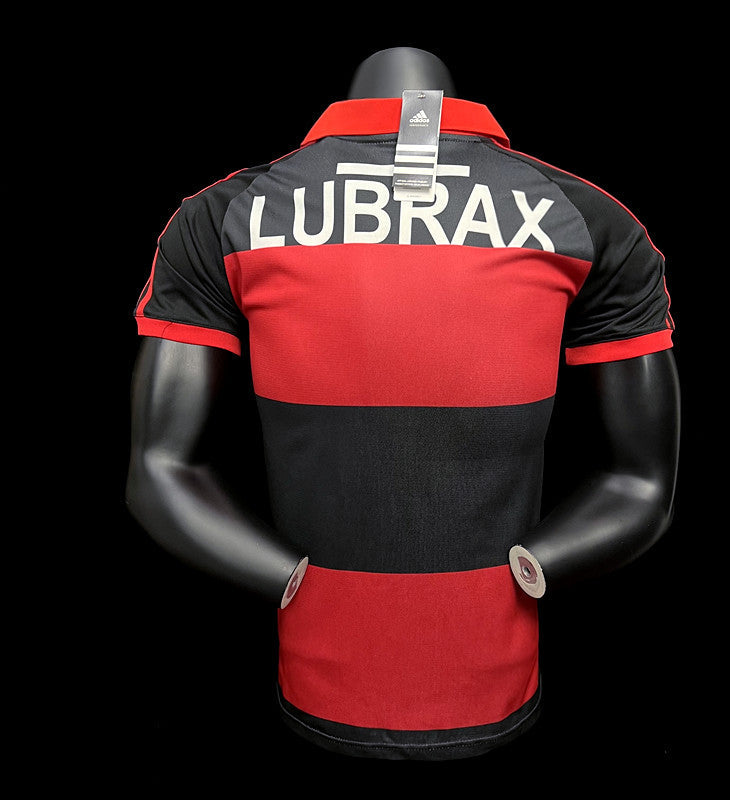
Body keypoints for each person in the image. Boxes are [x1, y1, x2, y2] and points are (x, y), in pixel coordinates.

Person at [127, 46, 680, 760]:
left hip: (431, 679)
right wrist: (538, 565)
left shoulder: (226, 212)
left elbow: (160, 467)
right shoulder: (584, 213)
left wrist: (284, 578)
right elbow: (643, 482)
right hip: (388, 679)